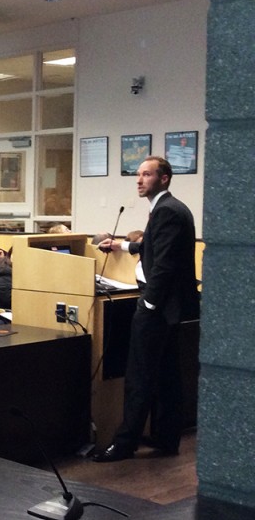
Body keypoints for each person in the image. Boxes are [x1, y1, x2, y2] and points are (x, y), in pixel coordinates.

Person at [92, 157, 200, 462]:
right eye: (138, 175)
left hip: (157, 307)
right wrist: (123, 246)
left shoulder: (166, 211)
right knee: (167, 374)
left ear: (164, 178)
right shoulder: (170, 208)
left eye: (146, 175)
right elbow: (156, 246)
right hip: (172, 308)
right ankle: (167, 438)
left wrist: (149, 303)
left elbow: (164, 263)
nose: (139, 180)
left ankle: (124, 445)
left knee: (139, 377)